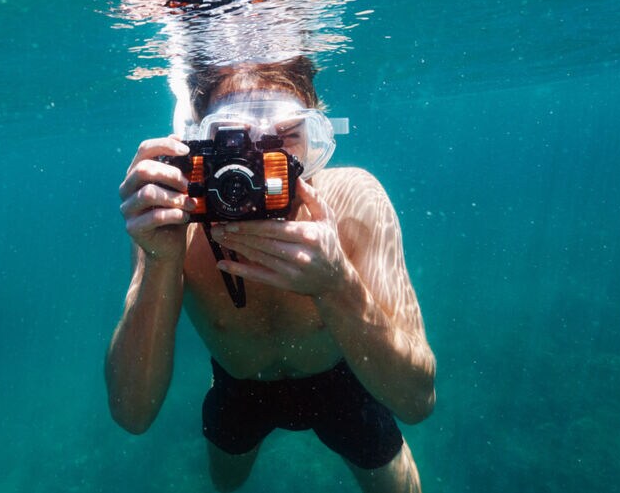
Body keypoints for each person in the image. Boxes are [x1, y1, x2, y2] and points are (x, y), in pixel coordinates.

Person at [112, 56, 436, 493]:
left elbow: (418, 401)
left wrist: (337, 283)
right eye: (234, 142)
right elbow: (132, 413)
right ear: (197, 143)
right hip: (239, 388)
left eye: (287, 137)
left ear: (315, 138)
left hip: (344, 382)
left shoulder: (354, 201)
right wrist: (160, 261)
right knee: (225, 485)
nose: (261, 165)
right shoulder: (173, 220)